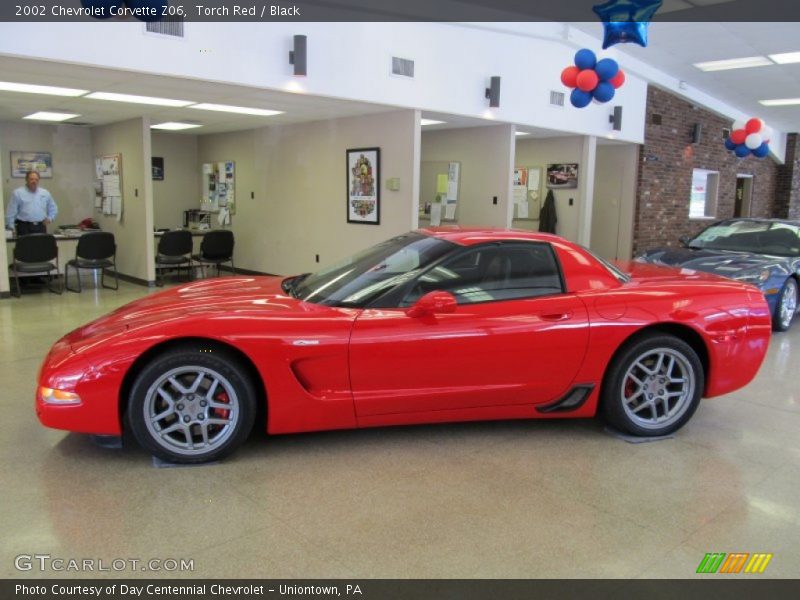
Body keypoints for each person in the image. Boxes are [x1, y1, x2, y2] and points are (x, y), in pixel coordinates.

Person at [5, 171, 58, 236]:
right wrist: (11, 228)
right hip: (24, 227)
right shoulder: (18, 193)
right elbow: (11, 212)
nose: (34, 181)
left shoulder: (45, 193)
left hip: (40, 226)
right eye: (31, 179)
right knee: (25, 246)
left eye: (36, 179)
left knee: (41, 246)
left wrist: (50, 218)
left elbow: (53, 208)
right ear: (26, 179)